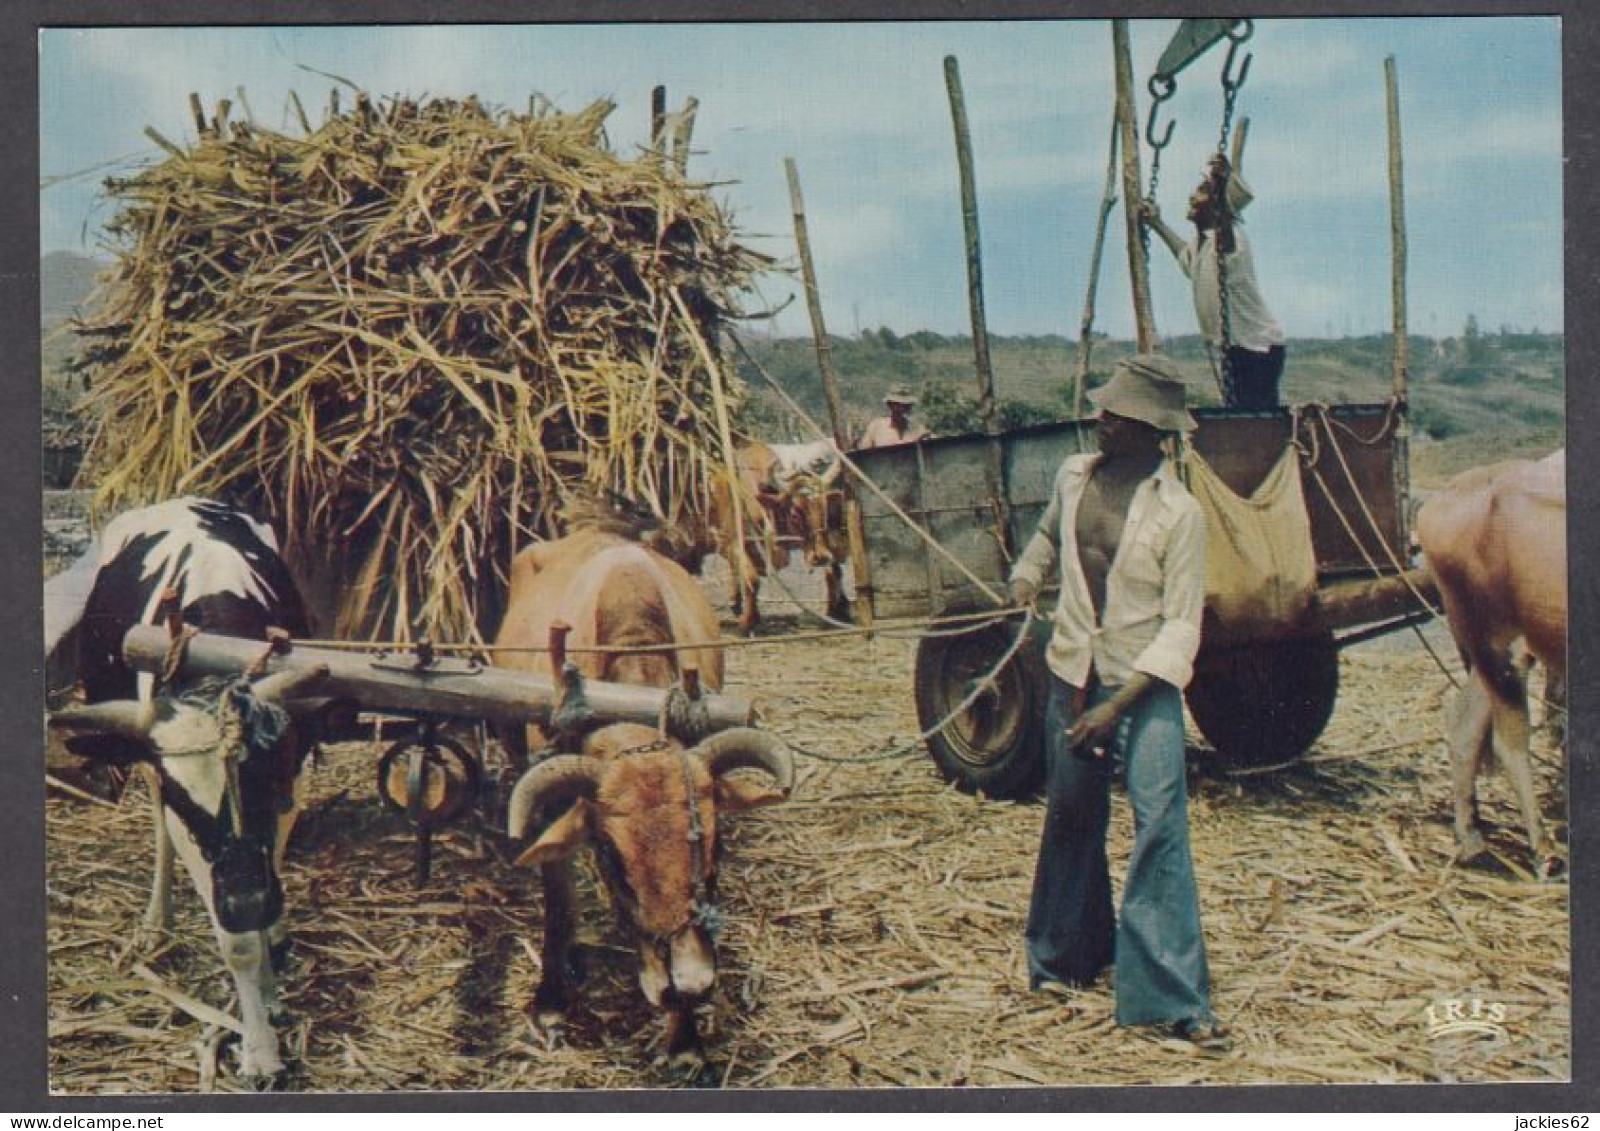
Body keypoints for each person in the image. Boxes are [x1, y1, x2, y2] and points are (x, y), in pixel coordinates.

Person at [1007, 353, 1227, 1049]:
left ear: (1149, 430)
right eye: (1104, 410)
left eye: (1116, 414)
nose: (1100, 419)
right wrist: (1026, 574)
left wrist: (1116, 705)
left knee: (1160, 820)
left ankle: (1168, 997)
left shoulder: (1180, 513)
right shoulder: (1075, 476)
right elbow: (1047, 537)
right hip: (1073, 669)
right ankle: (1063, 959)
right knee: (1071, 814)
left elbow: (1182, 624)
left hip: (1142, 686)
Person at [1144, 155, 1286, 410]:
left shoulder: (1233, 244)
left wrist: (1220, 186)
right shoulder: (1203, 245)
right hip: (1235, 349)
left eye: (1201, 191)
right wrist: (1156, 223)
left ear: (1218, 206)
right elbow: (1185, 256)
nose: (1191, 196)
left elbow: (1227, 244)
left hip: (1257, 349)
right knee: (1240, 415)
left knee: (1254, 422)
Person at [857, 385, 930, 449]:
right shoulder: (876, 427)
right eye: (897, 405)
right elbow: (863, 454)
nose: (902, 409)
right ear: (889, 405)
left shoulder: (918, 430)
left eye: (906, 405)